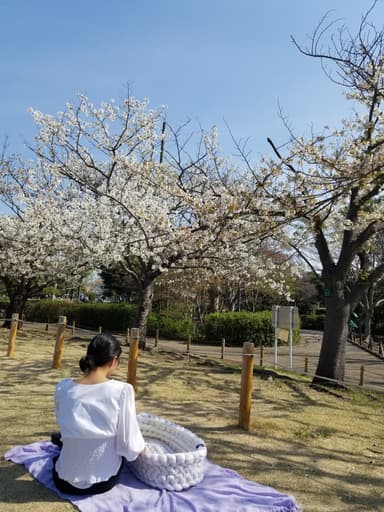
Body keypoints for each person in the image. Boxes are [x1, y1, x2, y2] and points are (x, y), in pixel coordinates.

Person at [52, 333, 145, 495]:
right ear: (113, 360)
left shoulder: (63, 387)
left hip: (64, 480)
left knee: (59, 437)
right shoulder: (122, 390)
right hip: (103, 481)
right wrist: (143, 448)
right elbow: (129, 444)